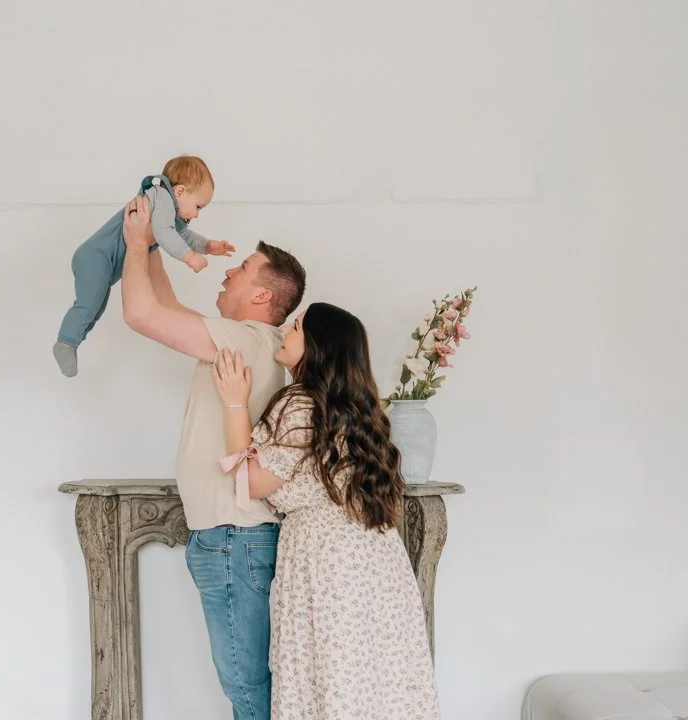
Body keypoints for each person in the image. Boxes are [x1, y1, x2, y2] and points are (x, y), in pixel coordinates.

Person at [120, 193, 307, 720]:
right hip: (232, 538)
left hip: (234, 537)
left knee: (247, 686)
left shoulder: (247, 340)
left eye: (242, 270)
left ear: (262, 294)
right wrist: (155, 241)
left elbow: (142, 314)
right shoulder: (249, 339)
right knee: (249, 684)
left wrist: (136, 244)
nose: (227, 275)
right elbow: (169, 310)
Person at [212, 303, 440, 720]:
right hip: (376, 561)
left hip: (327, 560)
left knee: (327, 679)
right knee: (374, 682)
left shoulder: (299, 403)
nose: (285, 329)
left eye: (296, 326)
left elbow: (255, 481)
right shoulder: (363, 410)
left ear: (316, 346)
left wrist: (233, 404)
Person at [52, 155, 234, 377]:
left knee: (95, 308)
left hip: (102, 264)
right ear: (179, 192)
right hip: (95, 258)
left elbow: (182, 234)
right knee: (88, 305)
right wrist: (189, 257)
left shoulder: (166, 207)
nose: (196, 214)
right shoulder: (160, 197)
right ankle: (65, 343)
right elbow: (164, 234)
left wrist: (207, 245)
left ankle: (73, 343)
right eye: (198, 206)